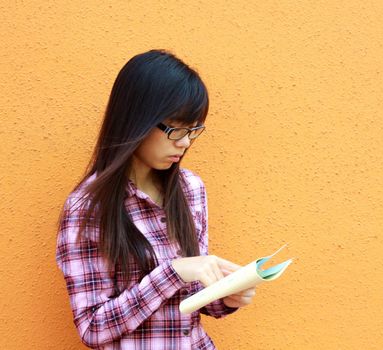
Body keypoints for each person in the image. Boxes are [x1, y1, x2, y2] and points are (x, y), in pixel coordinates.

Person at [55, 49, 256, 349]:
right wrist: (172, 272)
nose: (185, 142)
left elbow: (192, 301)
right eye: (176, 129)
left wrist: (227, 296)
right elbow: (92, 328)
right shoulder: (86, 208)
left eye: (193, 130)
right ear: (136, 119)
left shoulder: (191, 189)